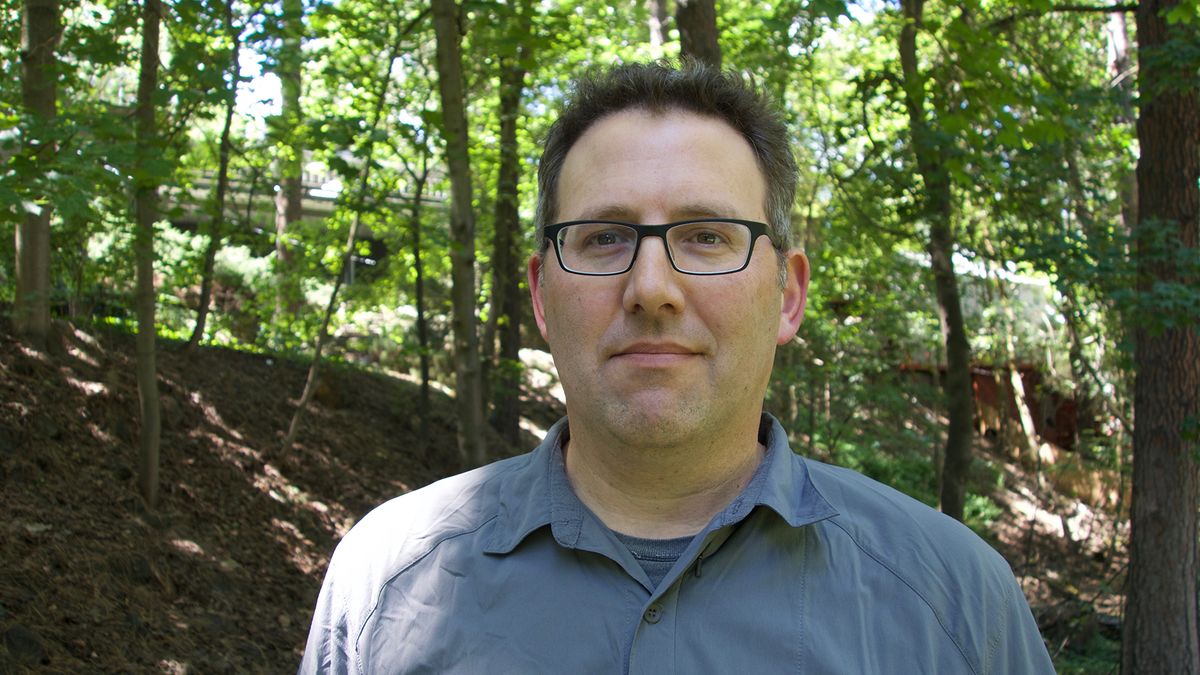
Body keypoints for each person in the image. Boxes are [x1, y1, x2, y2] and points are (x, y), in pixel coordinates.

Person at [299, 60, 1055, 674]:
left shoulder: (956, 605)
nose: (651, 290)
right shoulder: (386, 585)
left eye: (706, 236)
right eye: (601, 238)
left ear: (787, 295)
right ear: (539, 292)